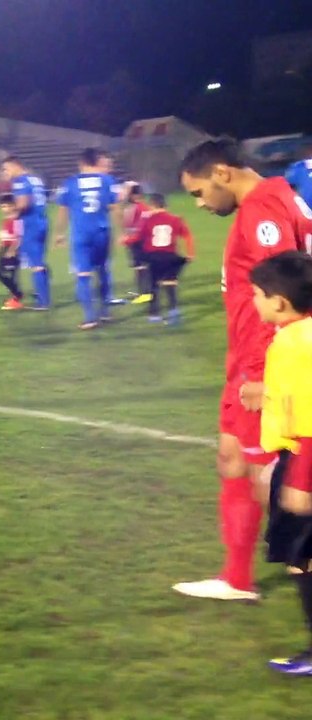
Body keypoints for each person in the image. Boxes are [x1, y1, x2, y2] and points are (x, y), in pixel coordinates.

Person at [173, 137, 312, 602]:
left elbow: (288, 291)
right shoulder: (275, 197)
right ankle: (236, 578)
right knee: (232, 460)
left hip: (262, 362)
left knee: (272, 476)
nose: (199, 204)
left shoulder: (262, 210)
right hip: (248, 360)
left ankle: (295, 572)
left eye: (198, 192)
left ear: (222, 174)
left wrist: (267, 375)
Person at [250, 252, 312, 674]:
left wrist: (300, 479)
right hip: (297, 456)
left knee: (301, 559)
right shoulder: (301, 334)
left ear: (279, 302)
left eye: (256, 294)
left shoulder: (294, 345)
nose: (252, 301)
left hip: (305, 462)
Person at [54, 149, 122, 330]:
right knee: (103, 271)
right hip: (102, 233)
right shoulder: (107, 180)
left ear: (81, 163)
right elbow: (116, 208)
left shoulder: (69, 183)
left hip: (81, 235)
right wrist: (122, 232)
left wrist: (59, 233)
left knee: (83, 275)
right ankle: (106, 312)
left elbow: (63, 210)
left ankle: (90, 318)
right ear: (96, 162)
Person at [133, 193, 195, 324]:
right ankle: (174, 313)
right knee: (170, 284)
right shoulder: (175, 219)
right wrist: (190, 253)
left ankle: (154, 315)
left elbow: (138, 237)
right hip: (170, 257)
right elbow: (188, 235)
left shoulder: (148, 220)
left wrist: (126, 240)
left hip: (154, 256)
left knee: (153, 285)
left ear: (152, 205)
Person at [2, 157, 50, 310]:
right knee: (39, 262)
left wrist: (13, 213)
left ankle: (43, 302)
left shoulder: (20, 181)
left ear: (15, 166)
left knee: (36, 264)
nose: (5, 173)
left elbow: (23, 203)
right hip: (42, 221)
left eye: (6, 169)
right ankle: (43, 295)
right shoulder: (35, 179)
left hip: (30, 225)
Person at [120, 184, 153, 305]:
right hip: (134, 241)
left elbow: (141, 226)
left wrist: (128, 239)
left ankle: (145, 294)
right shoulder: (133, 207)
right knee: (139, 267)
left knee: (141, 267)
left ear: (135, 195)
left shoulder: (141, 208)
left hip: (139, 241)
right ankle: (144, 292)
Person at [0, 194, 24, 311]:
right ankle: (15, 297)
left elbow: (19, 237)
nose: (4, 208)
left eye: (7, 206)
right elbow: (5, 237)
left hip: (12, 251)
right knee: (2, 274)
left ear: (13, 206)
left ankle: (17, 296)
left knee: (4, 274)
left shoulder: (17, 220)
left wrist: (12, 250)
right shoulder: (5, 220)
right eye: (2, 206)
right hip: (4, 250)